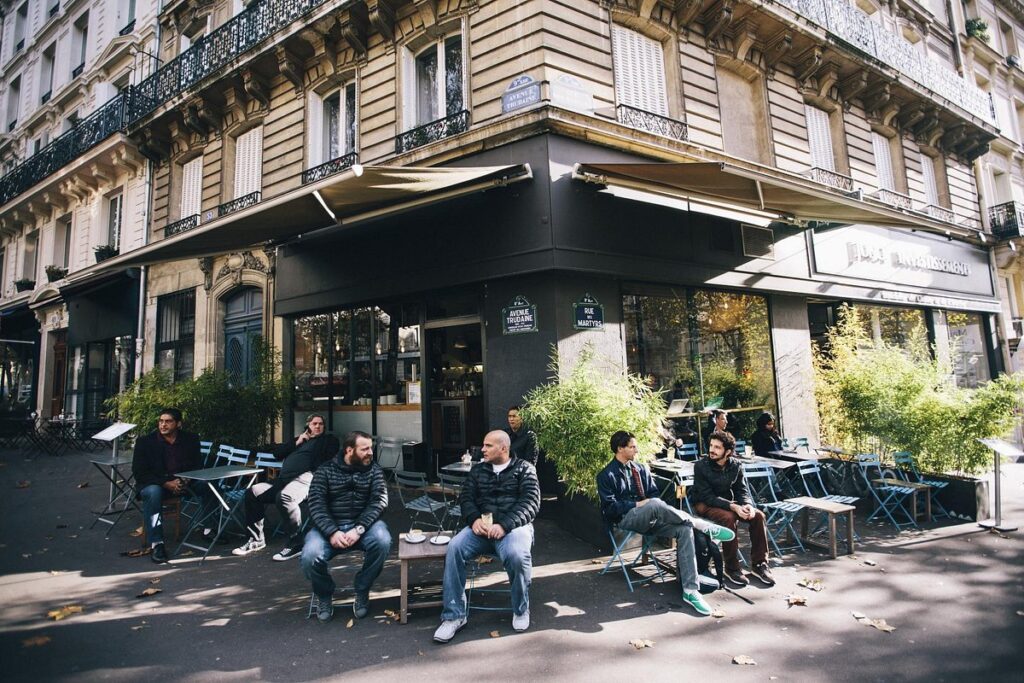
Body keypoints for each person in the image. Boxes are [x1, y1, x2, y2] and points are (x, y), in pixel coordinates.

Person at [596, 430, 735, 616]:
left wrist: (652, 507)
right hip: (627, 518)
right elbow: (610, 509)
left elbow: (654, 495)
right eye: (632, 447)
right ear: (620, 449)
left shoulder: (640, 468)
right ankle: (699, 523)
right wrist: (638, 504)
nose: (636, 450)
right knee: (654, 504)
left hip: (652, 516)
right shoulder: (606, 475)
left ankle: (690, 590)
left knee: (684, 529)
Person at [433, 430, 540, 643]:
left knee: (517, 555)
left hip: (513, 528)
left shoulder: (525, 469)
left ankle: (520, 609)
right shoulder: (478, 470)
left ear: (504, 448)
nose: (482, 449)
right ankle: (454, 616)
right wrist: (473, 520)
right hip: (481, 528)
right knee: (454, 547)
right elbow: (466, 499)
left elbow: (530, 503)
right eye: (484, 445)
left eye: (488, 445)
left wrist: (505, 525)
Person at [301, 431, 392, 623]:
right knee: (310, 556)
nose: (370, 453)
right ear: (349, 450)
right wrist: (332, 531)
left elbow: (379, 501)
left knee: (383, 541)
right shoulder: (325, 470)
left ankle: (362, 588)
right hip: (328, 528)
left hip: (363, 527)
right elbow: (316, 504)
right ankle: (324, 594)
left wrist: (359, 529)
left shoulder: (374, 470)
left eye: (371, 448)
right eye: (365, 449)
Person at [232, 414, 340, 561]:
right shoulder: (300, 440)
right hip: (282, 480)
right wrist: (298, 441)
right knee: (253, 492)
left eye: (321, 424)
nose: (318, 426)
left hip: (307, 478)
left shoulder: (329, 441)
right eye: (314, 423)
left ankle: (296, 544)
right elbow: (277, 454)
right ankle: (256, 540)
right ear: (308, 425)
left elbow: (327, 460)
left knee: (285, 497)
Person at [691, 430, 774, 587]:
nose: (712, 450)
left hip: (730, 503)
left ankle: (759, 564)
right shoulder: (701, 466)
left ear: (727, 452)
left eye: (717, 447)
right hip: (704, 504)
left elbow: (742, 490)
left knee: (758, 516)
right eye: (711, 445)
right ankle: (731, 567)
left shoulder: (736, 465)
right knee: (729, 518)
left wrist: (748, 504)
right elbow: (707, 497)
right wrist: (733, 506)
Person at [132, 407, 203, 564]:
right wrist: (166, 483)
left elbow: (197, 465)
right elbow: (139, 472)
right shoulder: (145, 442)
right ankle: (157, 543)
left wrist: (185, 480)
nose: (163, 425)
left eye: (168, 421)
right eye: (161, 421)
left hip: (184, 483)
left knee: (210, 485)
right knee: (153, 493)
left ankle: (210, 529)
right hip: (156, 484)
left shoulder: (190, 439)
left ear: (178, 424)